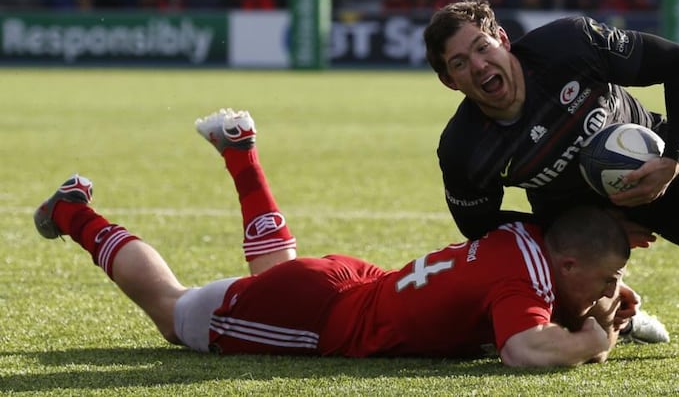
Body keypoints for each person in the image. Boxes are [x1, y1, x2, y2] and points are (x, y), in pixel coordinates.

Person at [32, 108, 633, 367]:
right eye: (607, 276)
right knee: (172, 310)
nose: (612, 286)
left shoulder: (526, 236)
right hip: (326, 316)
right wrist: (593, 339)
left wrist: (595, 303)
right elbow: (524, 351)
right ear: (569, 261)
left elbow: (542, 297)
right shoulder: (522, 283)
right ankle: (72, 213)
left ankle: (243, 156)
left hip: (349, 285)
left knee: (272, 279)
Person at [423, 0, 679, 354]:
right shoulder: (463, 148)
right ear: (449, 81)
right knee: (578, 330)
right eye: (460, 63)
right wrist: (581, 232)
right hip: (571, 212)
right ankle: (616, 317)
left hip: (652, 165)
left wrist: (672, 158)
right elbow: (478, 224)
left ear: (502, 37)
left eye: (483, 47)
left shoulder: (568, 45)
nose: (480, 65)